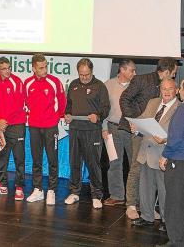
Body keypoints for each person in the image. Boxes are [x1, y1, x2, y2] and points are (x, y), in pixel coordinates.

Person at [119, 57, 177, 219]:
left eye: (170, 87)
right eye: (173, 73)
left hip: (160, 142)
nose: (173, 76)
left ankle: (154, 211)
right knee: (137, 169)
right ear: (166, 72)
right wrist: (135, 121)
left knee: (157, 177)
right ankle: (132, 205)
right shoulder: (142, 80)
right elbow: (125, 99)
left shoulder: (175, 103)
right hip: (142, 135)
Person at [129, 78, 179, 232]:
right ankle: (147, 217)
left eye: (170, 88)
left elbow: (179, 134)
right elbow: (143, 120)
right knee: (145, 188)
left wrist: (166, 140)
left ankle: (166, 220)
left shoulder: (180, 108)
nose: (166, 92)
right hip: (145, 151)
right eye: (164, 88)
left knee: (165, 190)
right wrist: (136, 128)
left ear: (176, 90)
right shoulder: (153, 102)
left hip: (164, 154)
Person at [64, 58, 110, 209]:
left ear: (92, 72)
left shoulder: (100, 86)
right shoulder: (73, 85)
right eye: (81, 74)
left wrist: (98, 115)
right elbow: (68, 106)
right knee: (74, 162)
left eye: (87, 74)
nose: (84, 77)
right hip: (75, 129)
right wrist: (68, 114)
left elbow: (105, 108)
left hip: (92, 131)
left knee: (93, 164)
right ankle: (74, 192)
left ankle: (97, 195)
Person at [24, 53, 66, 205]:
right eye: (41, 68)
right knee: (36, 159)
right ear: (34, 68)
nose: (44, 70)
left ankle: (52, 190)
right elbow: (26, 102)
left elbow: (62, 101)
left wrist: (56, 117)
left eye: (46, 66)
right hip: (34, 126)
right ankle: (38, 190)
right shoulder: (28, 83)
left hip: (50, 127)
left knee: (52, 159)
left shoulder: (54, 82)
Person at [0, 57, 26, 201]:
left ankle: (19, 187)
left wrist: (5, 120)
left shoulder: (17, 82)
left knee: (19, 158)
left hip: (16, 125)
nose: (8, 71)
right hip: (1, 126)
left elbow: (18, 104)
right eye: (4, 69)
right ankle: (0, 185)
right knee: (0, 156)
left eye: (9, 68)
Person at [102, 59, 136, 206]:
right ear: (122, 70)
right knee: (114, 162)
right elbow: (102, 109)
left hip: (132, 130)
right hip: (112, 128)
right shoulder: (108, 85)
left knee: (135, 164)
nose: (134, 73)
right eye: (131, 70)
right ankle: (117, 195)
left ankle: (135, 199)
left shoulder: (137, 85)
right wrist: (104, 128)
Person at [158, 80, 184, 246]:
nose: (180, 90)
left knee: (174, 203)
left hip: (177, 161)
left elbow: (175, 138)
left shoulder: (182, 109)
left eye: (181, 87)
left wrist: (165, 155)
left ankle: (176, 241)